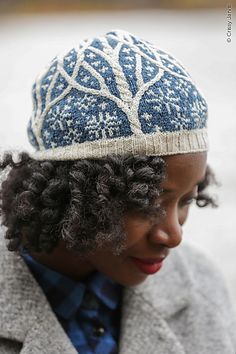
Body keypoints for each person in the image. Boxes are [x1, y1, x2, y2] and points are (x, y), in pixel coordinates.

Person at [0, 29, 235, 354]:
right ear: (71, 194)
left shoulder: (203, 287)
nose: (174, 235)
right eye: (145, 203)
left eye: (186, 200)